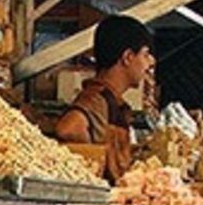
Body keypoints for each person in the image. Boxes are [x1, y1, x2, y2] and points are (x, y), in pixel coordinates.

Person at [54, 15, 153, 183]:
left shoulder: (114, 102)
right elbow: (68, 128)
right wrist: (93, 159)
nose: (150, 62)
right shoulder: (97, 99)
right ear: (128, 57)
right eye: (145, 54)